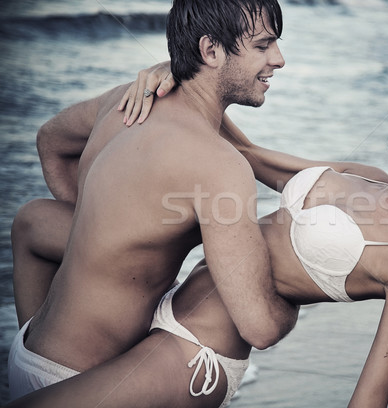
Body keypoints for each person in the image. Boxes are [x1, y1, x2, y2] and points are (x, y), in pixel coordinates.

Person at [8, 91, 388, 405]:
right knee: (34, 225)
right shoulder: (366, 173)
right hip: (168, 306)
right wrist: (179, 81)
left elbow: (374, 388)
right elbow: (249, 157)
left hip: (197, 352)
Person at [7, 0, 300, 405]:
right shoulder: (217, 163)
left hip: (29, 352)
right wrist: (298, 294)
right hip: (84, 384)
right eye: (263, 45)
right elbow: (260, 328)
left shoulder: (125, 103)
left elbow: (50, 142)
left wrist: (102, 226)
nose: (279, 60)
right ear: (211, 51)